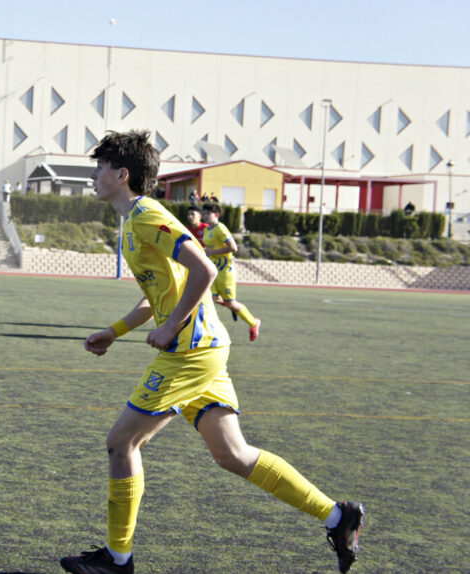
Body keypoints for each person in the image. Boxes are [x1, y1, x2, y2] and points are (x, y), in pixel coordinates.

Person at [60, 130, 363, 574]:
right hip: (205, 349)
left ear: (121, 174)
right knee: (232, 455)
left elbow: (202, 267)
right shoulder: (135, 222)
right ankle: (340, 517)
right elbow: (163, 292)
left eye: (100, 167)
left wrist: (169, 327)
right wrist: (116, 329)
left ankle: (117, 559)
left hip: (190, 353)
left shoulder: (146, 216)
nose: (93, 175)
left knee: (122, 442)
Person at [202, 202, 261, 340]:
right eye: (203, 213)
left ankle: (253, 322)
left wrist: (211, 252)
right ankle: (208, 331)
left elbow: (233, 247)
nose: (205, 215)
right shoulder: (207, 230)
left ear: (216, 215)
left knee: (230, 303)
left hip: (225, 271)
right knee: (210, 299)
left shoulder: (220, 228)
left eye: (207, 213)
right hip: (214, 270)